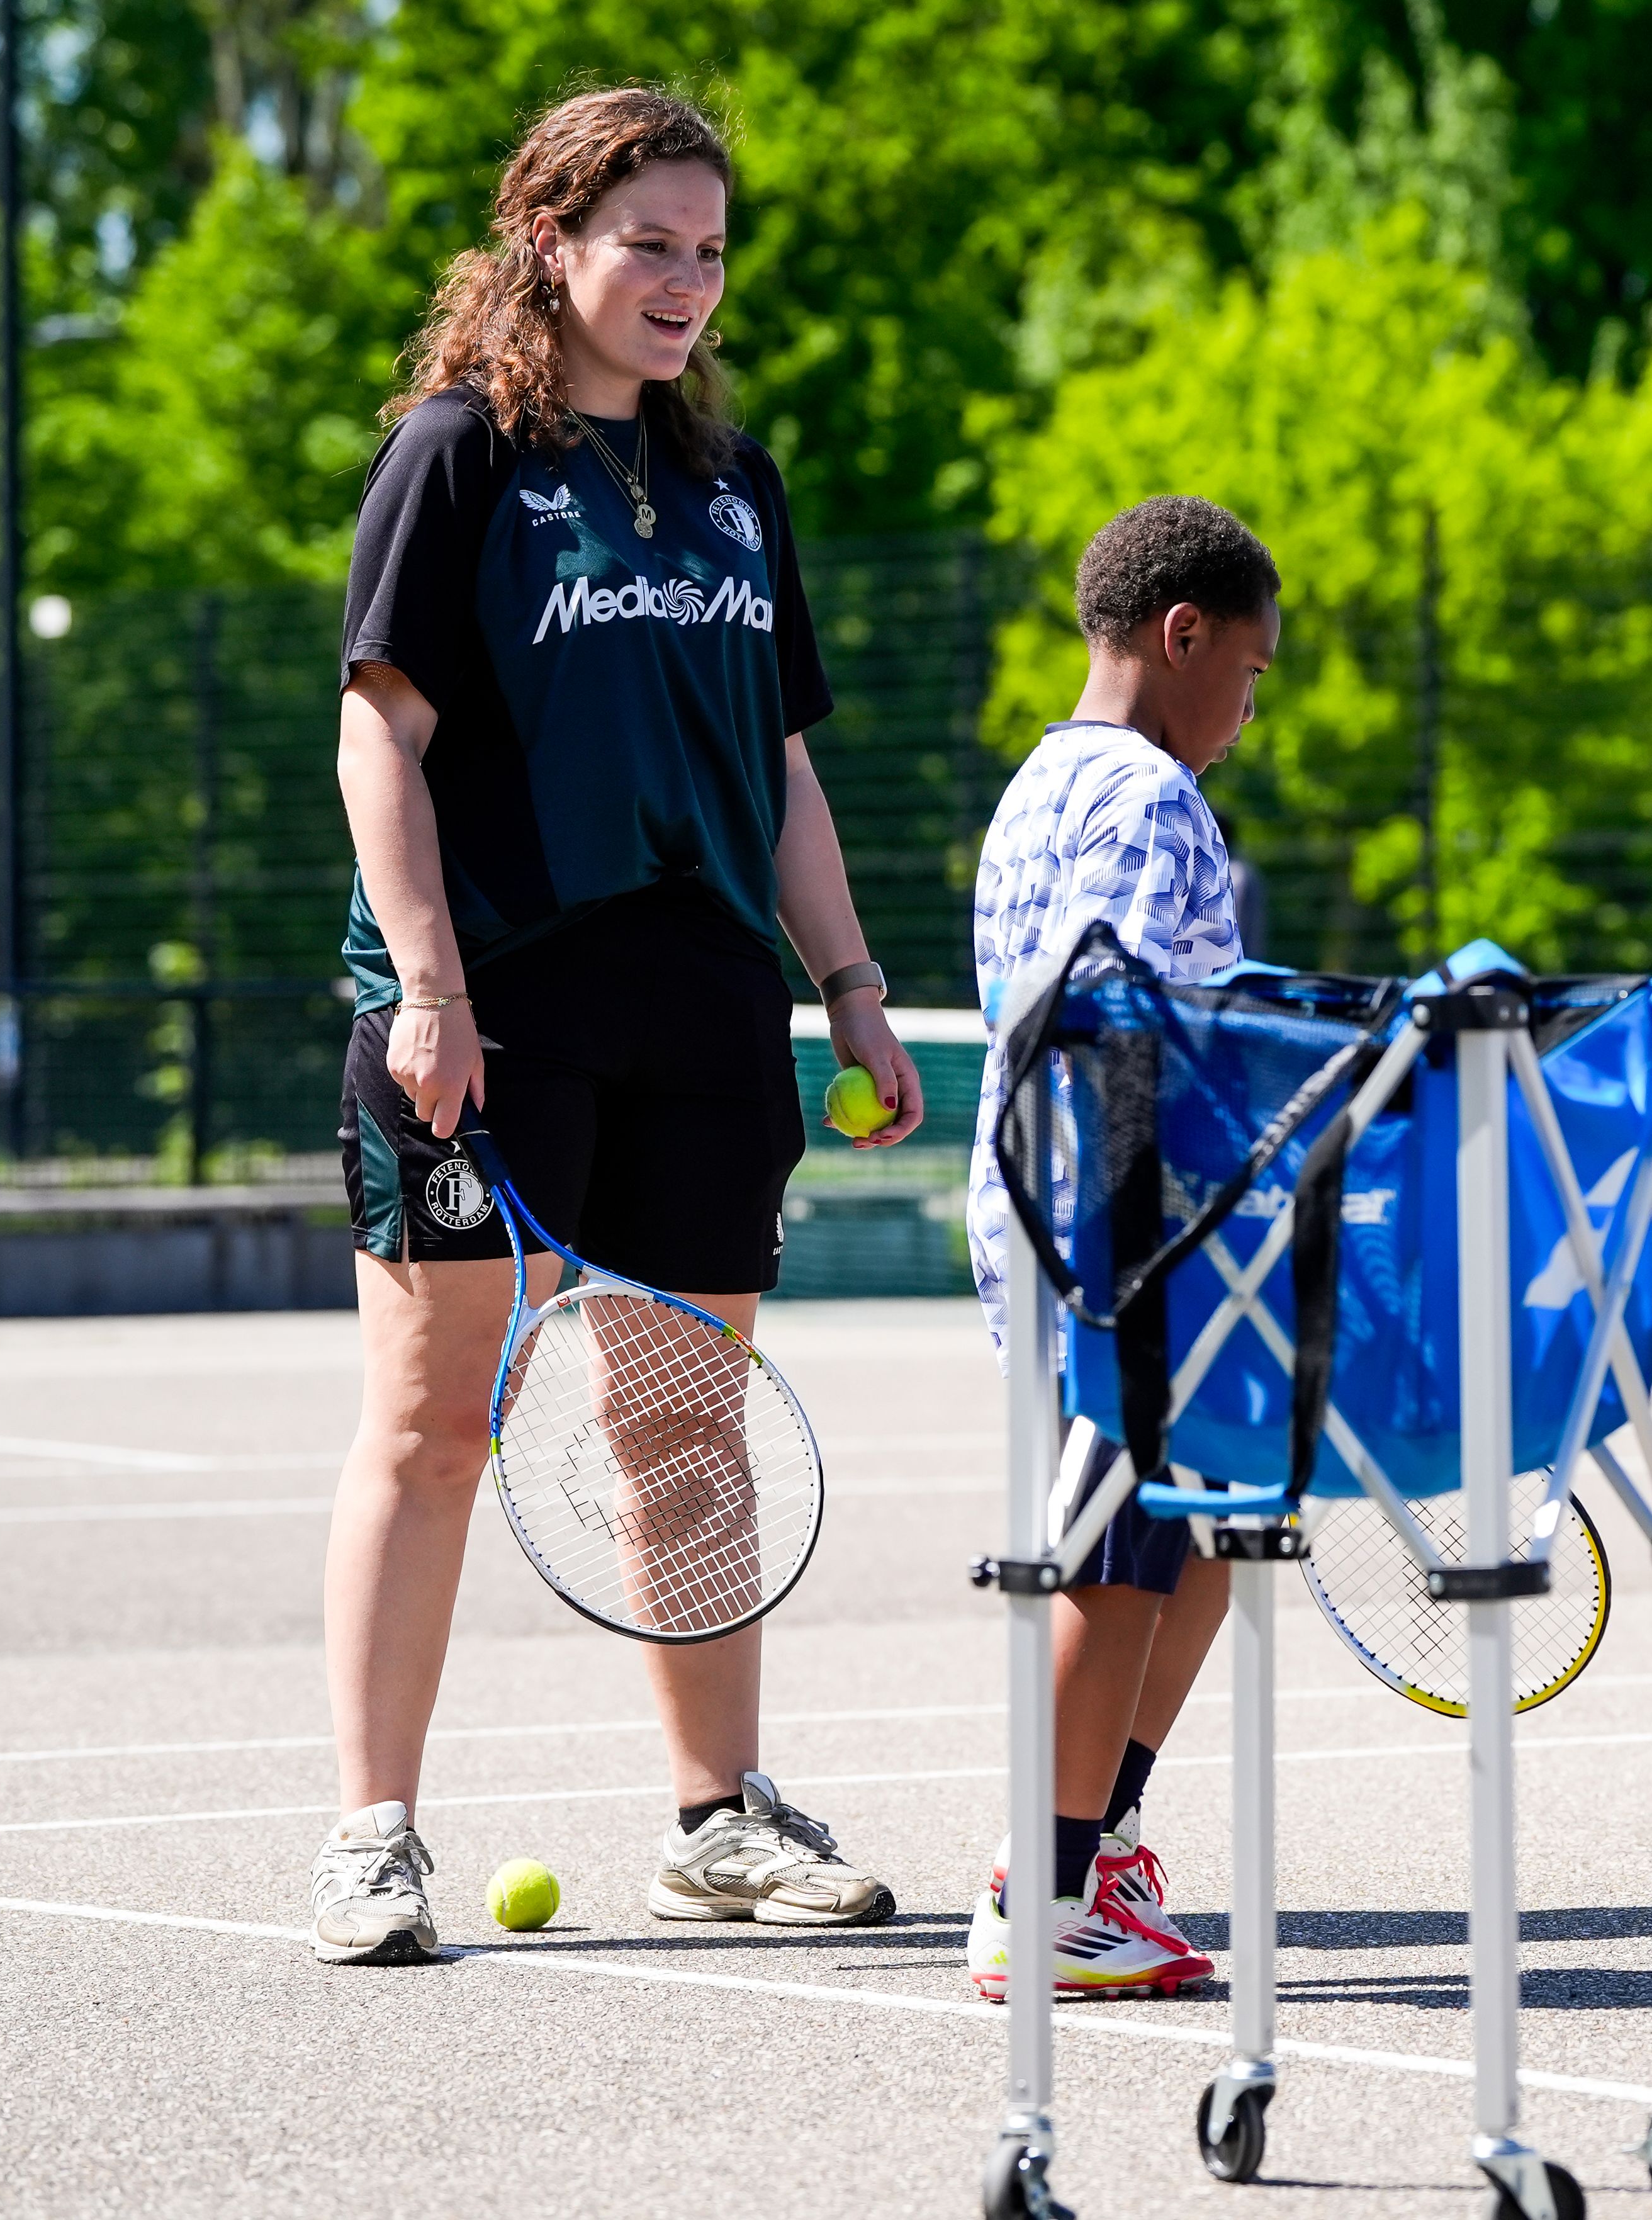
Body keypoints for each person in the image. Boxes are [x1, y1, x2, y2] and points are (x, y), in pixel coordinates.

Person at [316, 89, 924, 1965]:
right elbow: (378, 737)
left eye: (709, 249)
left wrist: (847, 984)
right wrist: (429, 984)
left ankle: (714, 1819)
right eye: (648, 242)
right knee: (431, 1432)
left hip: (705, 995)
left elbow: (786, 765)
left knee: (686, 1431)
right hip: (498, 997)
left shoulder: (736, 483)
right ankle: (370, 1834)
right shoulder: (457, 455)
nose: (683, 281)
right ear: (549, 243)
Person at [963, 496, 1281, 1998]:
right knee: (1118, 1550)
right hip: (1123, 1227)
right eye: (1253, 671)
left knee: (1200, 1531)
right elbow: (1127, 1020)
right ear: (1183, 636)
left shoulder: (1038, 780)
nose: (1249, 706)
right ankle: (1051, 1882)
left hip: (1055, 1214)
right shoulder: (1151, 798)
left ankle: (1106, 1827)